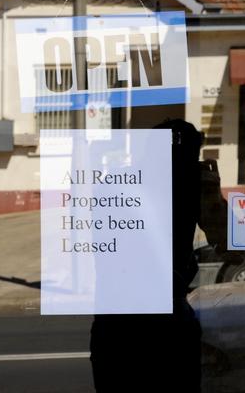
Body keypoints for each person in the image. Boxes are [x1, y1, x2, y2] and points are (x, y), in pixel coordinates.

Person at [90, 119, 227, 392]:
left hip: (117, 321)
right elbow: (226, 239)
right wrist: (208, 192)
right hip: (159, 322)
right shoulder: (184, 187)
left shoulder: (114, 185)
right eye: (191, 157)